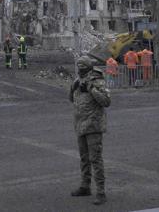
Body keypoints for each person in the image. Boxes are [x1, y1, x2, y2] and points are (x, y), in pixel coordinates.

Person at [70, 56, 111, 206]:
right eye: (78, 67)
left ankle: (101, 192)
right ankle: (85, 186)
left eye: (82, 67)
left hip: (93, 125)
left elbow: (106, 101)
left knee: (96, 159)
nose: (80, 70)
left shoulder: (97, 80)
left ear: (88, 68)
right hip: (81, 124)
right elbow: (72, 99)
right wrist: (73, 88)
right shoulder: (78, 80)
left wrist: (91, 89)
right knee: (84, 158)